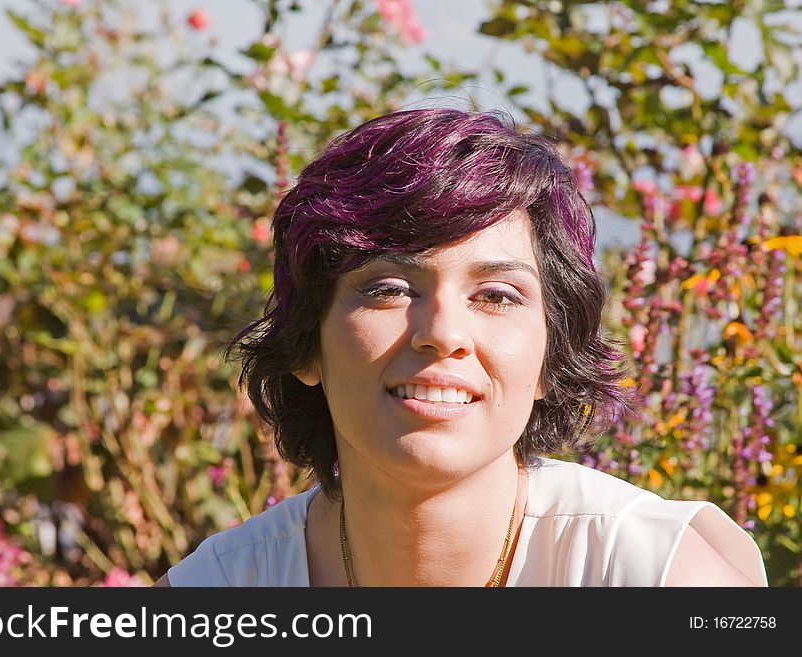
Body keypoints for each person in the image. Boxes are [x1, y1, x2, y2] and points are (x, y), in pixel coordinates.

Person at [155, 108, 767, 587]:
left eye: (497, 295)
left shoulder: (658, 578)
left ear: (552, 360)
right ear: (306, 347)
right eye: (390, 288)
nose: (442, 333)